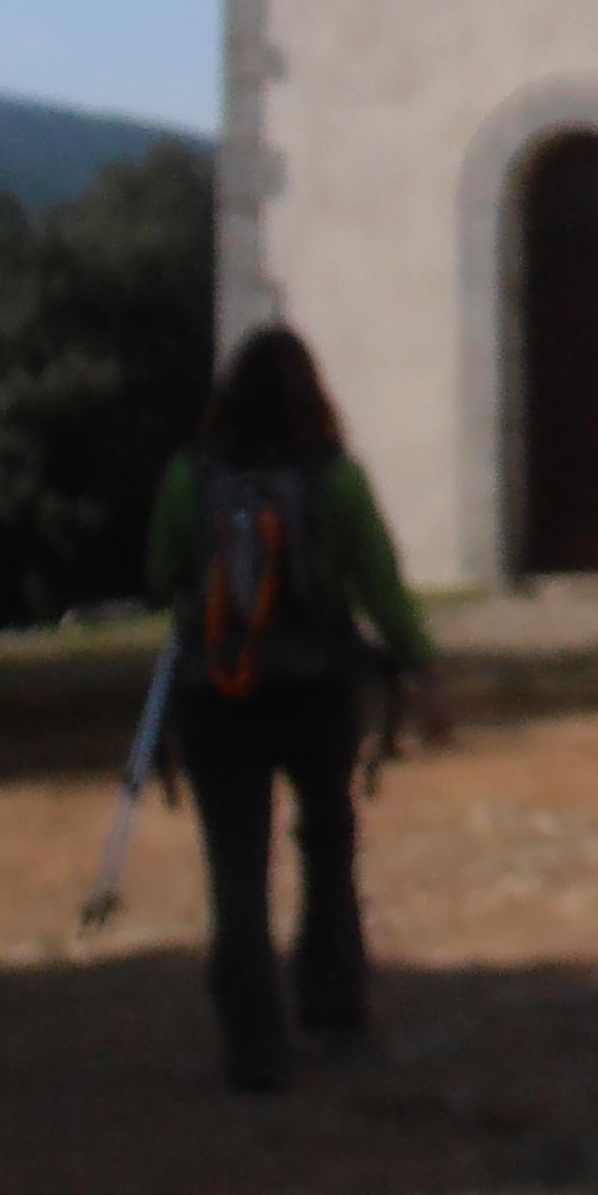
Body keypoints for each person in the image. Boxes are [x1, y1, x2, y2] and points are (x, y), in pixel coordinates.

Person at [147, 326, 451, 1092]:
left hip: (217, 696)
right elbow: (382, 587)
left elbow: (162, 575)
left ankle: (253, 1047)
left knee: (238, 871)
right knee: (327, 845)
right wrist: (424, 670)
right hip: (317, 692)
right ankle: (333, 1008)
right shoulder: (337, 482)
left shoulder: (191, 478)